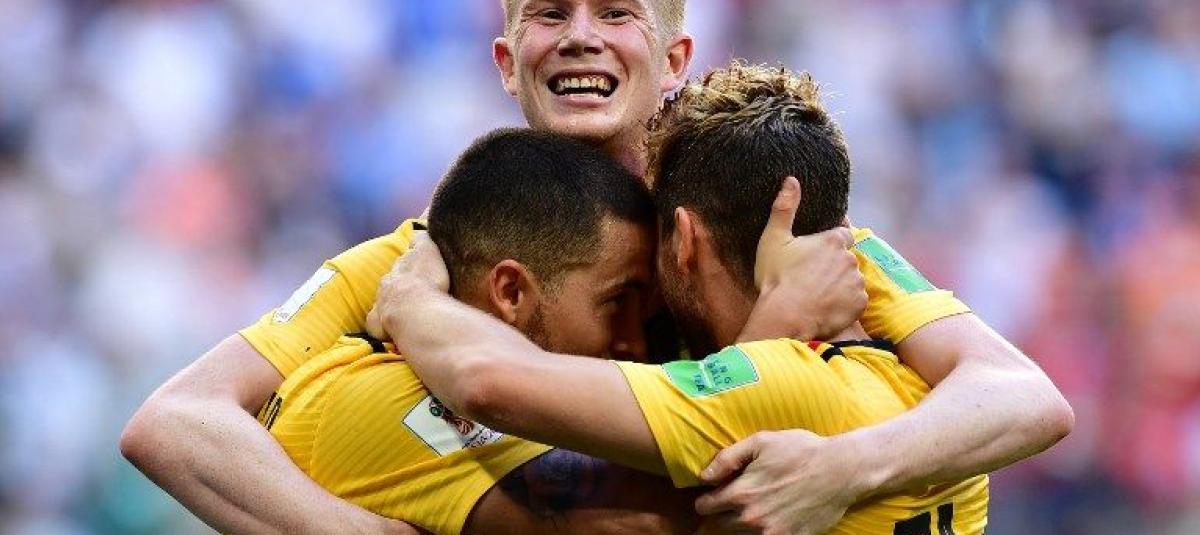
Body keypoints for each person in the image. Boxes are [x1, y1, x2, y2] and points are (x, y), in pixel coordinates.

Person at [121, 1, 1072, 533]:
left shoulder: (765, 222)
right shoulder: (429, 256)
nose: (580, 33)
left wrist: (845, 464)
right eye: (550, 12)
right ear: (507, 61)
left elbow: (1021, 395)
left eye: (615, 11)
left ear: (675, 56)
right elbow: (176, 421)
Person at [379, 63, 991, 534]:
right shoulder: (936, 396)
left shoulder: (767, 389)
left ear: (685, 241)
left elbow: (483, 381)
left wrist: (410, 294)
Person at [262, 127, 704, 534]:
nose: (635, 341)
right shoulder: (378, 396)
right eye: (617, 301)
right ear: (510, 291)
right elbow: (640, 524)